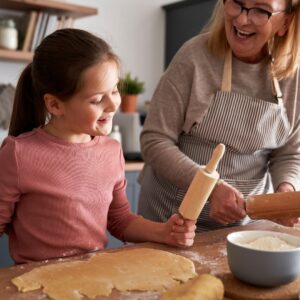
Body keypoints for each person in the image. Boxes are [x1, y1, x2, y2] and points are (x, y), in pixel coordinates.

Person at [0, 29, 196, 264]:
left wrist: (164, 232)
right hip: (33, 284)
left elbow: (120, 219)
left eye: (114, 90)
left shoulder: (111, 151)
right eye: (96, 99)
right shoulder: (19, 154)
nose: (113, 104)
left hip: (91, 277)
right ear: (54, 104)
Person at [138, 0, 300, 232]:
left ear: (286, 22)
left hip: (242, 227)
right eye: (237, 3)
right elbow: (154, 141)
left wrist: (286, 193)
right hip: (171, 219)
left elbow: (288, 154)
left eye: (261, 10)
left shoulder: (293, 76)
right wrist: (210, 188)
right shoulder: (194, 56)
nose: (242, 19)